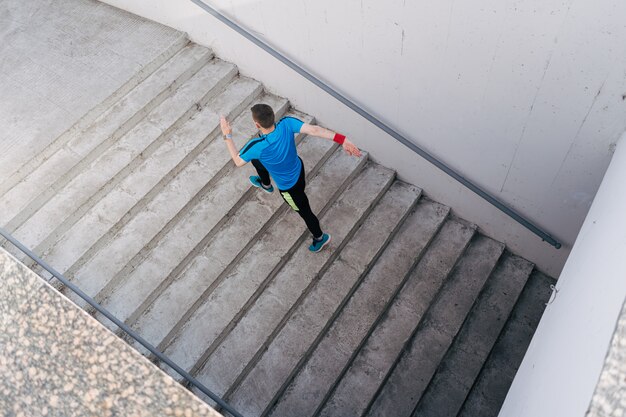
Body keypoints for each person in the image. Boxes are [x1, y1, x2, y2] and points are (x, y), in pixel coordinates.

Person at [220, 104, 361, 252]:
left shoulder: (256, 146)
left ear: (256, 124)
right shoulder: (286, 123)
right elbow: (314, 130)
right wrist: (343, 139)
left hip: (289, 188)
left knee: (305, 212)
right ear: (273, 116)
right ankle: (265, 183)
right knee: (256, 160)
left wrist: (227, 135)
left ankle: (320, 237)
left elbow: (237, 161)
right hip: (298, 169)